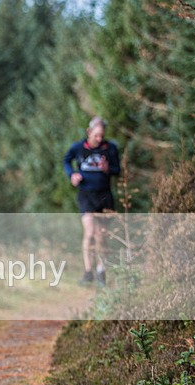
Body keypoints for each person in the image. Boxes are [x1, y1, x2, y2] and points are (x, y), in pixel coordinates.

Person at [63, 116, 120, 287]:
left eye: (102, 136)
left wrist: (107, 169)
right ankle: (88, 271)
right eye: (96, 135)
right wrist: (72, 174)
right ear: (89, 132)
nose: (99, 139)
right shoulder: (78, 148)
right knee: (89, 233)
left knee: (101, 236)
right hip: (86, 195)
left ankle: (101, 271)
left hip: (104, 196)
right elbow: (66, 161)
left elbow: (118, 170)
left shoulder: (110, 149)